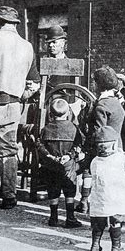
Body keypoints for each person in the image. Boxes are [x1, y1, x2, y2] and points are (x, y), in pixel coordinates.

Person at [0, 6, 35, 209]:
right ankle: (9, 195)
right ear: (15, 24)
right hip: (14, 104)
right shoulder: (27, 46)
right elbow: (34, 81)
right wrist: (21, 95)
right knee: (9, 149)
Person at [88, 126, 125, 251]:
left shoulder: (95, 161)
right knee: (115, 220)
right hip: (115, 198)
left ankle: (95, 246)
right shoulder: (122, 158)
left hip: (99, 198)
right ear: (114, 144)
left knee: (98, 221)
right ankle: (116, 247)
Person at [76, 66, 125, 213]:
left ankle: (84, 201)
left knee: (88, 171)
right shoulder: (116, 103)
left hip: (102, 146)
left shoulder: (102, 105)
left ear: (99, 85)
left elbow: (100, 131)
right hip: (117, 144)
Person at [37, 98, 84, 228]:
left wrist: (50, 156)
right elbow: (79, 145)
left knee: (53, 190)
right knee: (70, 192)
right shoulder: (74, 128)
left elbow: (40, 146)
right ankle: (70, 218)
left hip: (51, 166)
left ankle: (53, 218)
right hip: (68, 166)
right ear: (68, 112)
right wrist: (70, 156)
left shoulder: (46, 129)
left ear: (50, 114)